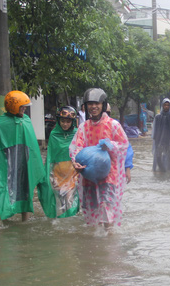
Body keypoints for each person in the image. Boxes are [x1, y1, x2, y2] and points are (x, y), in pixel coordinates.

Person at [0, 90, 49, 222]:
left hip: (24, 163)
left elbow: (33, 147)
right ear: (13, 106)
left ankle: (25, 225)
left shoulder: (26, 121)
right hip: (5, 165)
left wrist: (37, 167)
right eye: (21, 106)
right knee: (2, 192)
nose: (24, 109)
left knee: (26, 193)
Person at [70, 88, 129, 230]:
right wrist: (75, 163)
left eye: (97, 103)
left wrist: (110, 145)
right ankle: (94, 243)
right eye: (90, 104)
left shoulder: (113, 125)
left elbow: (124, 145)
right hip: (88, 173)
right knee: (91, 209)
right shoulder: (83, 127)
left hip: (109, 173)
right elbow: (75, 148)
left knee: (106, 205)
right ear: (85, 106)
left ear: (103, 104)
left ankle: (108, 242)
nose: (94, 107)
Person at [42, 106, 80, 218]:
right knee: (62, 202)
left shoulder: (77, 134)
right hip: (58, 174)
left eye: (68, 122)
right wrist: (49, 176)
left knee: (70, 200)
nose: (65, 124)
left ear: (72, 122)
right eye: (63, 121)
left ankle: (70, 226)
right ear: (58, 121)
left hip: (72, 173)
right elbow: (50, 157)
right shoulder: (54, 135)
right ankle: (65, 224)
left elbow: (81, 153)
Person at [152, 98, 170, 172]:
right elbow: (155, 130)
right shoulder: (158, 117)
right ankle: (162, 171)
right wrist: (156, 140)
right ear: (162, 106)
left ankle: (169, 173)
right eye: (165, 105)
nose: (166, 107)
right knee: (158, 156)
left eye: (168, 105)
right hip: (160, 141)